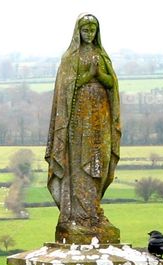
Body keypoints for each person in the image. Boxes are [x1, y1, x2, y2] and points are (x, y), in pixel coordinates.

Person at [46, 13, 122, 245]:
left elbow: (112, 85)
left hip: (100, 121)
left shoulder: (102, 55)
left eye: (92, 30)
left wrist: (101, 75)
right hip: (78, 122)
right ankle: (76, 217)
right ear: (77, 32)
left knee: (100, 165)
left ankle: (94, 212)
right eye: (85, 30)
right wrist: (88, 75)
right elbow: (67, 87)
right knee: (79, 166)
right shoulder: (70, 57)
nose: (89, 34)